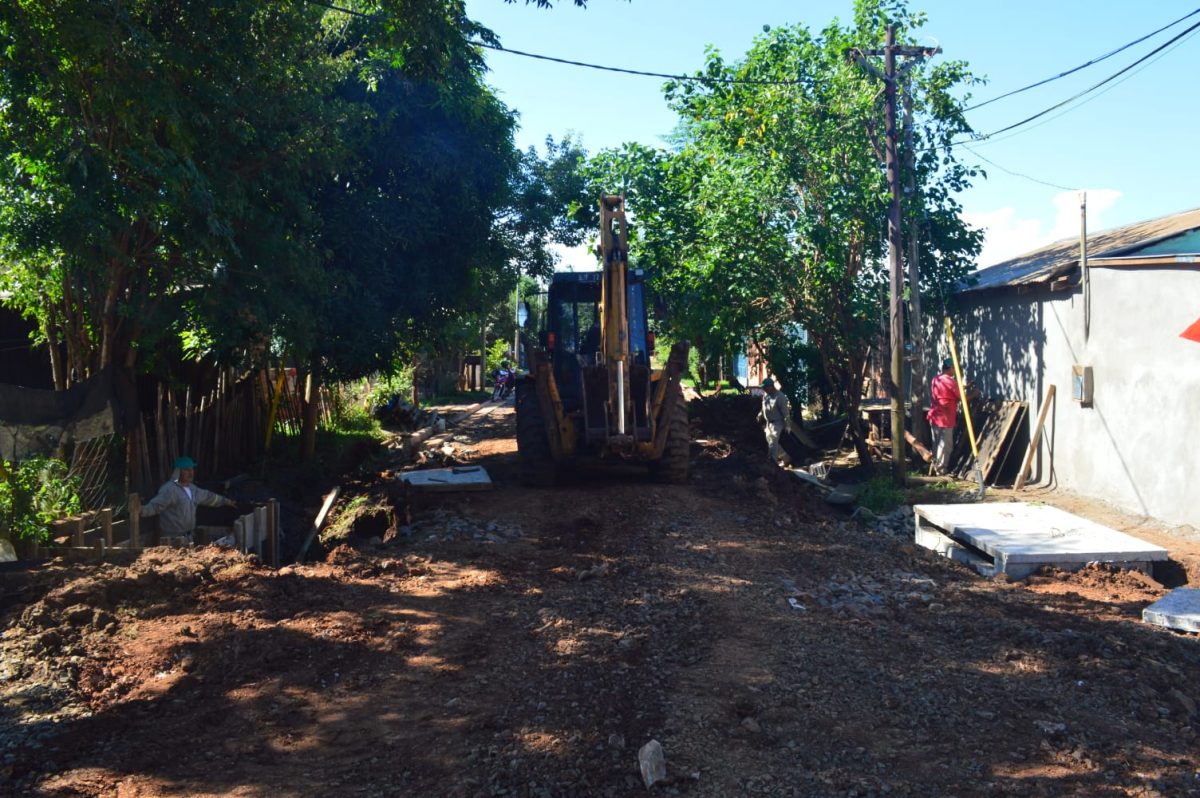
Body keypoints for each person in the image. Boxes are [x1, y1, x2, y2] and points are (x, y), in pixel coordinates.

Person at [140, 456, 237, 545]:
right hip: (172, 540)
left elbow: (209, 497)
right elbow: (156, 505)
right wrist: (142, 510)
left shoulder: (193, 489)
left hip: (188, 538)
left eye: (192, 469)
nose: (191, 472)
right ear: (178, 472)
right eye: (186, 470)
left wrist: (226, 501)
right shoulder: (170, 489)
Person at [926, 357, 979, 475]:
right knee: (946, 446)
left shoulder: (936, 379)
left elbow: (950, 389)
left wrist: (965, 386)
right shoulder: (951, 381)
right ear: (950, 368)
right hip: (945, 419)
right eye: (954, 368)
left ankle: (935, 468)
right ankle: (941, 472)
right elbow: (962, 398)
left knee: (936, 444)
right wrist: (974, 394)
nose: (955, 371)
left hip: (934, 417)